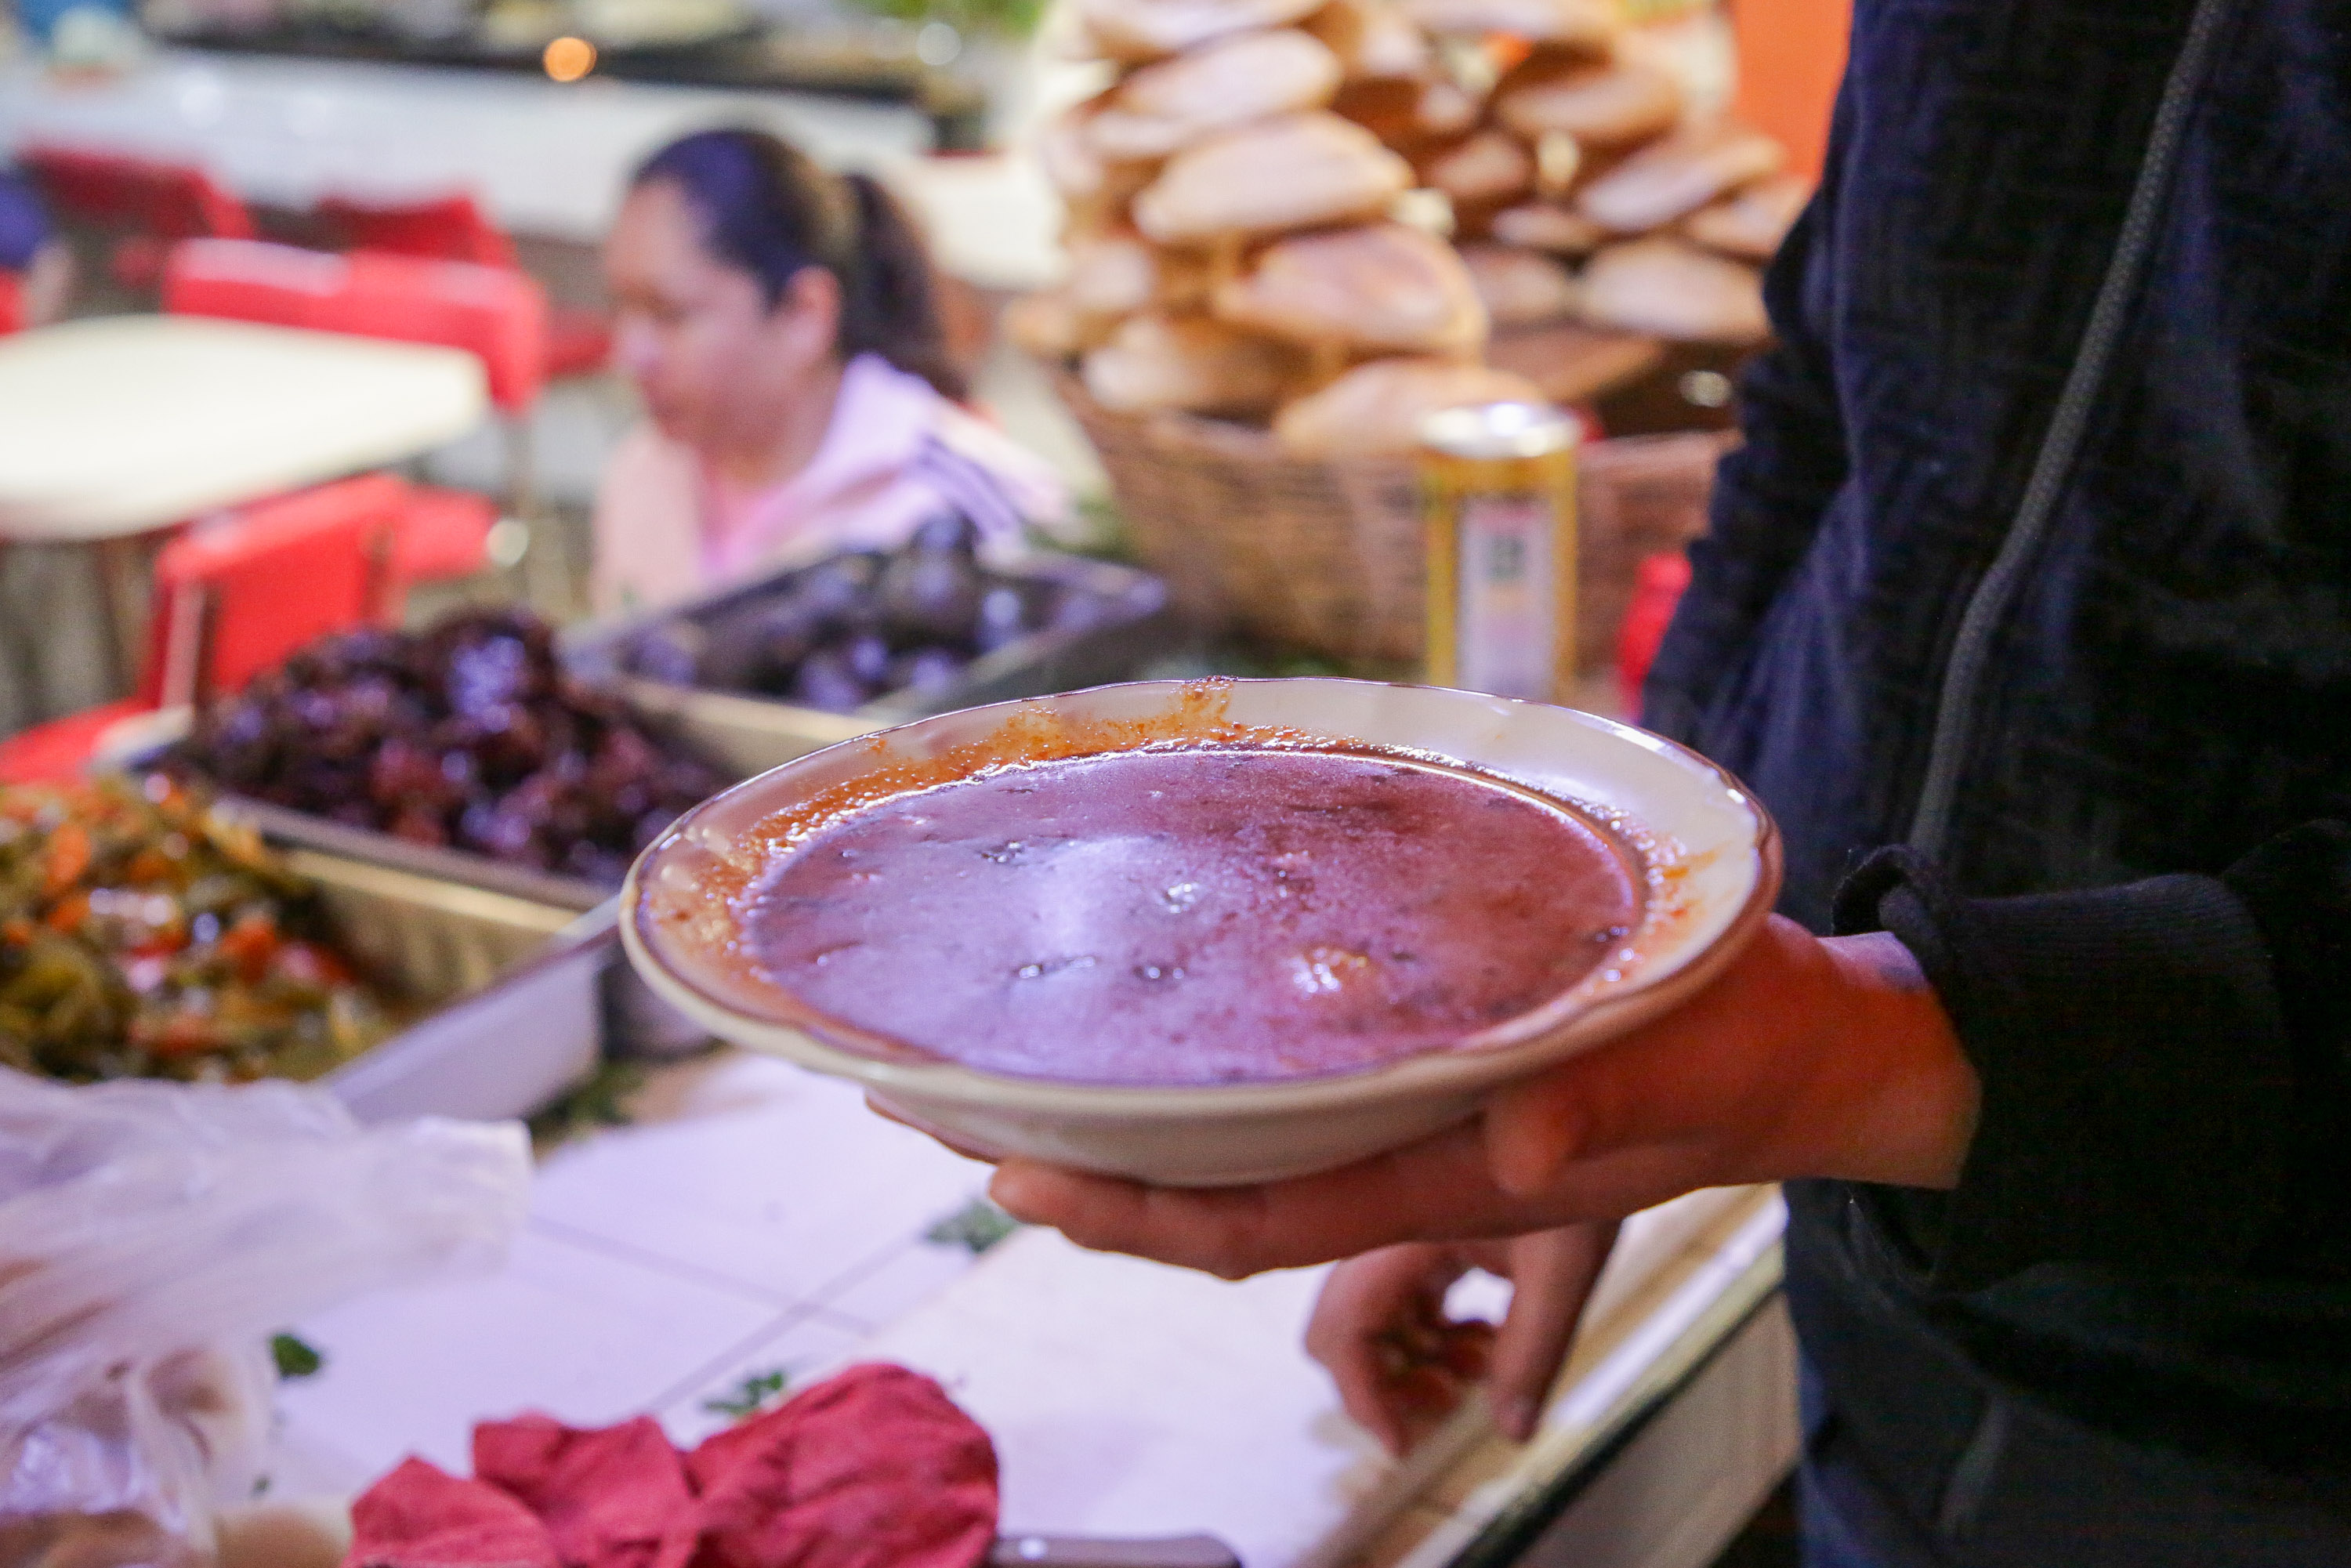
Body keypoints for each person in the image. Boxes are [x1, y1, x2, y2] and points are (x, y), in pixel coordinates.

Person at [985, 2, 2351, 1563]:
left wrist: (1862, 1051)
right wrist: (1637, 976)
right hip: (1870, 1286)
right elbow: (1835, 396)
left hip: (2280, 1408)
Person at [592, 129, 1067, 614]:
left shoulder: (964, 501)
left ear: (804, 313)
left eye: (669, 313)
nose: (629, 355)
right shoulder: (642, 474)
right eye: (621, 308)